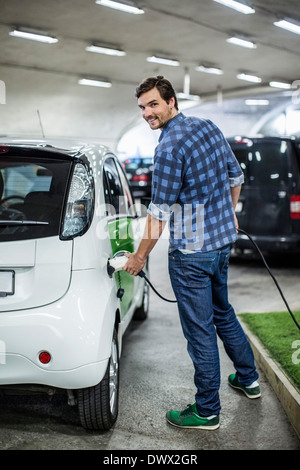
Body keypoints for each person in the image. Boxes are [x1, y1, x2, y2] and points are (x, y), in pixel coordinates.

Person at [123, 76, 260, 430]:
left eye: (153, 104)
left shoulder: (168, 148)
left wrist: (138, 258)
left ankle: (207, 410)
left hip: (191, 255)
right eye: (142, 107)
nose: (147, 113)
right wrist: (228, 217)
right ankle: (248, 378)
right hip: (221, 245)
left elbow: (159, 211)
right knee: (223, 313)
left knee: (200, 331)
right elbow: (236, 176)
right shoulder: (207, 126)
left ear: (171, 102)